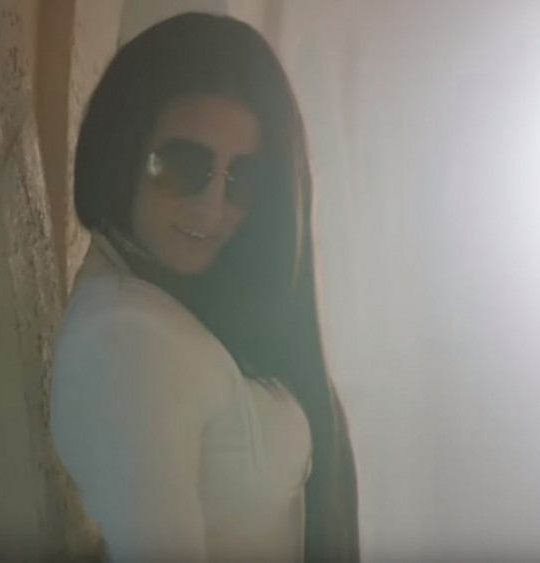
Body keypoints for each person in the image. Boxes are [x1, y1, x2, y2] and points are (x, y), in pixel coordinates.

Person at [49, 12, 358, 562]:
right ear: (122, 153)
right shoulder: (128, 339)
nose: (213, 207)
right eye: (181, 164)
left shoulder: (176, 302)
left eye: (242, 177)